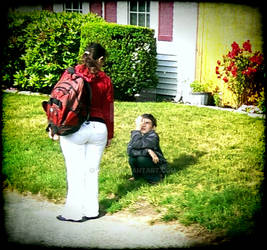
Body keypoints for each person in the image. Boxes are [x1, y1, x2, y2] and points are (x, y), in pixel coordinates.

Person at [50, 43, 114, 222]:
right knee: (92, 171)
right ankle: (92, 210)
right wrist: (109, 135)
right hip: (99, 129)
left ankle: (73, 213)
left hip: (75, 127)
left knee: (75, 171)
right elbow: (109, 109)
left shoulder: (71, 73)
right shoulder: (106, 79)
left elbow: (58, 99)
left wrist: (54, 127)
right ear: (100, 59)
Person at [127, 114, 167, 184]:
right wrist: (147, 150)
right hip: (144, 164)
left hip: (156, 166)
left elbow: (137, 145)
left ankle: (155, 178)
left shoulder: (153, 136)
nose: (143, 125)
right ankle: (138, 176)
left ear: (153, 127)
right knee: (132, 158)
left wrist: (136, 130)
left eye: (147, 123)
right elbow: (130, 151)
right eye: (141, 122)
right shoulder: (136, 136)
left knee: (141, 158)